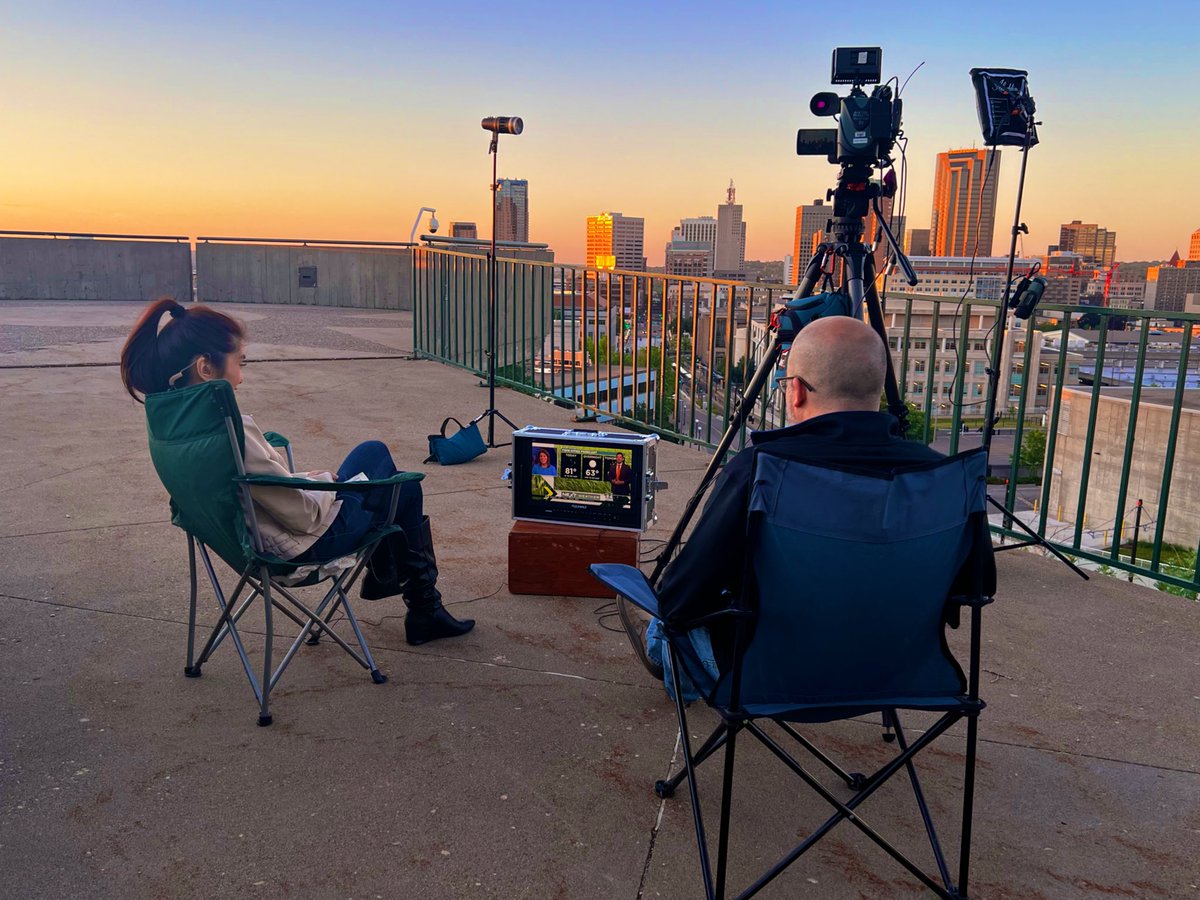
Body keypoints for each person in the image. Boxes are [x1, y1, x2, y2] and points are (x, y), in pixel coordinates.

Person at [119, 298, 474, 646]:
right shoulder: (230, 434)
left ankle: (390, 579)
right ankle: (416, 601)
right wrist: (326, 484)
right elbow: (302, 515)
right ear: (206, 368)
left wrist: (319, 481)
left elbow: (264, 490)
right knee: (399, 483)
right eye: (239, 363)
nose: (241, 378)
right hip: (297, 549)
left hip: (248, 541)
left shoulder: (174, 432)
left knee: (371, 461)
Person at [654, 315, 993, 671]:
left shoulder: (760, 469)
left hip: (769, 676)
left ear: (796, 390)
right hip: (895, 671)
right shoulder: (946, 477)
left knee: (665, 618)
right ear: (876, 389)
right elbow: (978, 585)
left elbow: (680, 599)